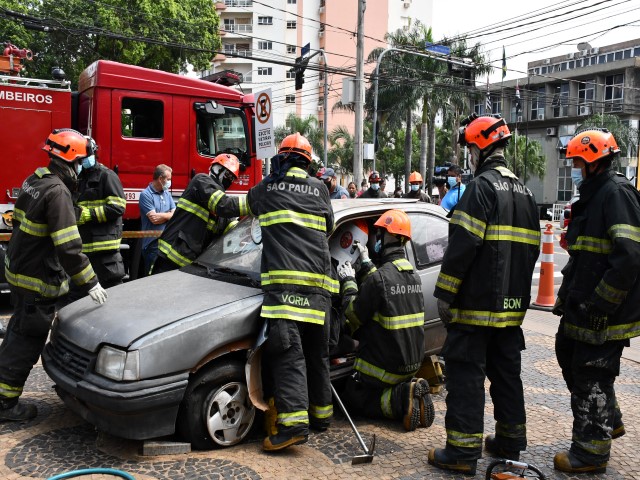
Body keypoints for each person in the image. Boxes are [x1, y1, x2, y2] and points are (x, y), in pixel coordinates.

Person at [428, 114, 540, 475]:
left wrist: (445, 294)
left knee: (466, 378)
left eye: (470, 150)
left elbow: (462, 247)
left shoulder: (480, 188)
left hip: (476, 310)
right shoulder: (525, 193)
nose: (470, 157)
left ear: (479, 148)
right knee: (508, 378)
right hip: (510, 313)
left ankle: (461, 453)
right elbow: (531, 251)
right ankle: (510, 445)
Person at [0, 129, 107, 421]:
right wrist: (91, 283)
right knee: (26, 341)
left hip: (19, 271)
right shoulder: (58, 192)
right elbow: (69, 248)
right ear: (72, 159)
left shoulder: (35, 180)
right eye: (85, 159)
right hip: (36, 280)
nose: (88, 164)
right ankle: (6, 404)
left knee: (16, 333)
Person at [552, 129, 640, 474]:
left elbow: (630, 256)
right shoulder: (594, 196)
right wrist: (565, 298)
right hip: (582, 306)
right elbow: (583, 258)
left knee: (592, 375)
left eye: (576, 162)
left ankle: (590, 454)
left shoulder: (615, 195)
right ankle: (607, 418)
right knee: (566, 352)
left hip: (603, 312)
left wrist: (602, 304)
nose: (573, 168)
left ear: (591, 162)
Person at [247, 133, 336, 452]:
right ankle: (321, 417)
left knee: (289, 356)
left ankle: (294, 426)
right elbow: (329, 226)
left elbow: (248, 203)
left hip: (285, 293)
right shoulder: (320, 189)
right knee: (317, 355)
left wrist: (271, 176)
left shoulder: (268, 188)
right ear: (309, 163)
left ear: (281, 159)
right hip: (318, 291)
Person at [337, 210, 433, 431]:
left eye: (379, 234)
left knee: (353, 394)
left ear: (388, 238)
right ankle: (408, 387)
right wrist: (366, 262)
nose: (376, 239)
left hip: (384, 370)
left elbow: (352, 315)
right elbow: (384, 287)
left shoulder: (380, 279)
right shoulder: (413, 276)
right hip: (412, 364)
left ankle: (401, 399)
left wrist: (349, 281)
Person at [151, 154, 247, 274]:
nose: (229, 180)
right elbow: (222, 205)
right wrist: (252, 202)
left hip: (191, 266)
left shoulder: (222, 205)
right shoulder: (201, 181)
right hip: (169, 257)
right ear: (216, 169)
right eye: (227, 175)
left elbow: (232, 229)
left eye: (232, 178)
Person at [69, 136, 126, 298]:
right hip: (83, 249)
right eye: (80, 159)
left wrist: (88, 215)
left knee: (111, 295)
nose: (82, 162)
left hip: (105, 252)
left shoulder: (107, 176)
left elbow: (118, 207)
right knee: (76, 297)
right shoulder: (78, 179)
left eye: (85, 157)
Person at [139, 165, 175, 274]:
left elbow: (176, 214)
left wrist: (163, 216)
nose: (170, 182)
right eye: (168, 179)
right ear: (160, 179)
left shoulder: (167, 194)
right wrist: (169, 215)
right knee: (151, 278)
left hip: (166, 242)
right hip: (152, 245)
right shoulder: (145, 194)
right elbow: (154, 219)